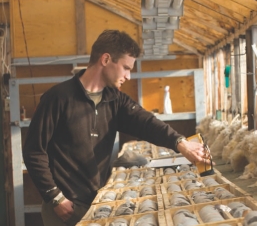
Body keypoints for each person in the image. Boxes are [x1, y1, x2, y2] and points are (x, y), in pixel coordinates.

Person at [23, 29, 211, 226]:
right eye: (126, 68)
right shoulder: (58, 98)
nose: (129, 76)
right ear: (105, 59)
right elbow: (34, 151)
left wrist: (181, 143)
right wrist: (54, 196)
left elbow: (146, 122)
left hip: (97, 202)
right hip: (64, 207)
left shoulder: (115, 100)